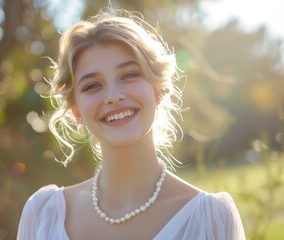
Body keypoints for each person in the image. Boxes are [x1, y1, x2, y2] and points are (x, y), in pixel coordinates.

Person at [17, 8, 246, 240]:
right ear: (76, 111)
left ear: (158, 90)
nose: (113, 96)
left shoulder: (210, 219)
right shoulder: (43, 216)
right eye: (92, 86)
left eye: (128, 75)